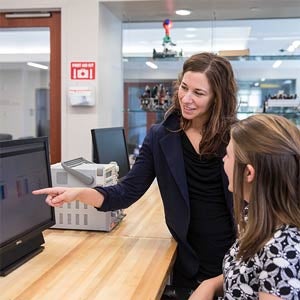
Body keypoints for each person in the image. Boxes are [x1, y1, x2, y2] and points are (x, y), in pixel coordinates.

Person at [33, 52, 238, 299]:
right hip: (188, 260)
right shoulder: (162, 136)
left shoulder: (235, 139)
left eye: (199, 93)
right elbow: (126, 191)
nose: (187, 98)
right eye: (184, 88)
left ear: (218, 97)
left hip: (232, 256)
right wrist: (80, 193)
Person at [189, 114, 300, 300]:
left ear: (248, 172)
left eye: (228, 155)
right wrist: (211, 285)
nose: (223, 160)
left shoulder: (282, 251)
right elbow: (249, 273)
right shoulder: (259, 217)